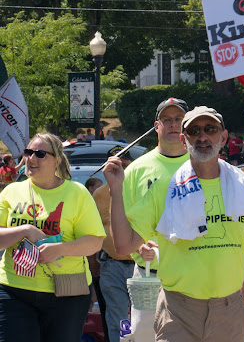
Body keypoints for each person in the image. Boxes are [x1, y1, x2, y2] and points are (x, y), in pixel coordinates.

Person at [104, 105, 244, 342]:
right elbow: (123, 246)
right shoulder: (163, 189)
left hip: (229, 312)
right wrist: (116, 190)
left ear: (223, 137)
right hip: (177, 312)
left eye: (210, 129)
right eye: (193, 130)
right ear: (183, 139)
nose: (202, 137)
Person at [0, 133, 105, 342]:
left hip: (66, 293)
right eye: (28, 152)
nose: (31, 158)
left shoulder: (77, 193)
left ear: (57, 160)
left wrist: (59, 249)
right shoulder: (12, 191)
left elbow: (94, 242)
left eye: (39, 154)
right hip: (14, 291)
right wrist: (24, 230)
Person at [121, 96, 190, 342]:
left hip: (194, 274)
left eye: (179, 119)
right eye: (167, 120)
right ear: (156, 126)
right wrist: (137, 245)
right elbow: (121, 221)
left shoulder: (204, 166)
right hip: (149, 276)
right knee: (143, 338)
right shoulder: (136, 170)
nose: (173, 124)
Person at [93, 147, 137, 342]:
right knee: (118, 318)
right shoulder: (99, 194)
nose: (120, 169)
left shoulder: (143, 188)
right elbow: (94, 234)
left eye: (124, 164)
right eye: (115, 165)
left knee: (146, 316)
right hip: (111, 265)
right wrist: (94, 271)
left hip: (143, 265)